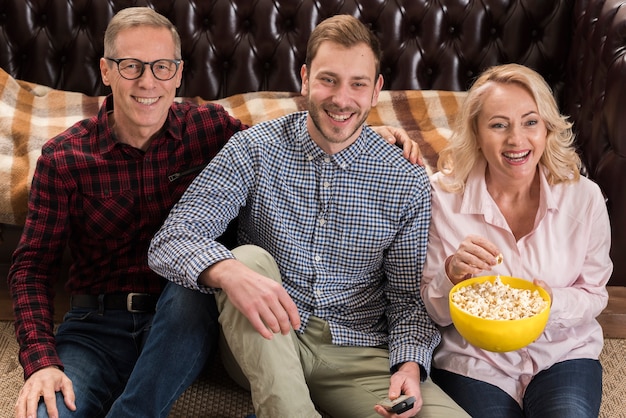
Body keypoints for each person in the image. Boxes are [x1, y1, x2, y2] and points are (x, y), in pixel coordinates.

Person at [7, 8, 419, 418]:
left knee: (199, 278)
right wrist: (41, 361)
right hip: (97, 324)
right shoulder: (64, 157)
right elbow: (30, 268)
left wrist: (361, 136)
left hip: (187, 319)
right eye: (131, 66)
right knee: (47, 412)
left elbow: (293, 143)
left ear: (179, 73)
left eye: (162, 67)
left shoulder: (212, 129)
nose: (148, 82)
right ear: (106, 71)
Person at [148, 14, 469, 418]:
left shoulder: (406, 180)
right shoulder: (253, 149)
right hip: (267, 339)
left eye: (358, 84)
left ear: (376, 92)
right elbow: (171, 240)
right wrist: (228, 272)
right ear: (304, 79)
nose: (341, 98)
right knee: (246, 259)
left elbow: (406, 300)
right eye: (328, 80)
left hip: (358, 352)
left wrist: (409, 364)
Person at [420, 63, 612, 417]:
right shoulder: (441, 198)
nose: (516, 140)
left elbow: (595, 294)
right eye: (498, 125)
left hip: (563, 353)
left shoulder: (584, 199)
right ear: (476, 132)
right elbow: (434, 312)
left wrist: (551, 303)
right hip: (474, 361)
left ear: (547, 129)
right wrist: (451, 273)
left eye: (530, 122)